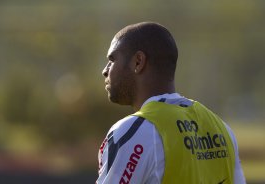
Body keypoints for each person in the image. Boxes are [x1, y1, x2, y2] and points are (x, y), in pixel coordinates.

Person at [97, 22, 246, 184]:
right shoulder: (222, 129)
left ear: (138, 62)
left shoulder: (135, 130)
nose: (105, 70)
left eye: (112, 60)